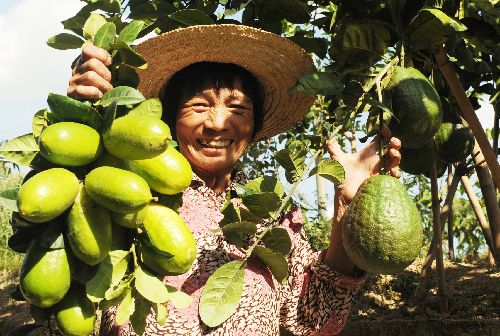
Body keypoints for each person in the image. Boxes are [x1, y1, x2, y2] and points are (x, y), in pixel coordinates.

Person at [68, 24, 401, 336]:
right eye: (198, 106)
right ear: (170, 120)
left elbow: (314, 320)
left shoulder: (273, 212)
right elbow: (62, 217)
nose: (217, 123)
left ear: (254, 125)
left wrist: (348, 204)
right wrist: (82, 117)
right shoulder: (127, 186)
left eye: (238, 109)